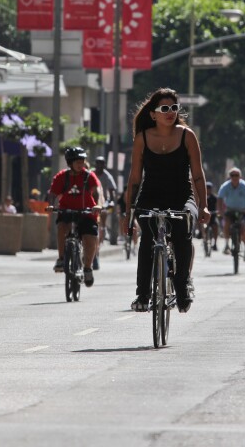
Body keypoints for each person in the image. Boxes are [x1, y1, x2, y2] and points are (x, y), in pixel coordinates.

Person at [126, 88, 210, 313]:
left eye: (174, 108)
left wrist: (204, 206)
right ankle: (142, 295)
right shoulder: (142, 138)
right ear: (153, 114)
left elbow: (198, 175)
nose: (170, 112)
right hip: (150, 196)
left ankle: (182, 285)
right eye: (165, 109)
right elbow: (134, 179)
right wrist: (128, 213)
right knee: (147, 240)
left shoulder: (186, 135)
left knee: (183, 233)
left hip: (182, 196)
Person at [48, 147, 103, 287]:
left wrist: (97, 205)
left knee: (90, 236)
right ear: (70, 163)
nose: (81, 164)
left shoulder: (89, 176)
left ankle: (88, 268)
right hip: (66, 210)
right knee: (61, 226)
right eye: (77, 161)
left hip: (86, 212)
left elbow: (97, 192)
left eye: (82, 161)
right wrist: (50, 205)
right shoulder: (61, 176)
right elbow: (53, 194)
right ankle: (61, 258)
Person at [217, 167, 245, 262]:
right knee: (227, 223)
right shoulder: (225, 186)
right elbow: (220, 198)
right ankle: (226, 245)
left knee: (243, 228)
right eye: (232, 175)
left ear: (240, 176)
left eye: (236, 175)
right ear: (229, 177)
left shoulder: (244, 186)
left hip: (242, 210)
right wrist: (220, 210)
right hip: (230, 209)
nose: (234, 177)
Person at [93, 156, 117, 250]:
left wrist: (111, 202)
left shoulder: (107, 176)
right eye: (98, 163)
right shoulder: (91, 174)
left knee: (103, 213)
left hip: (102, 201)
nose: (99, 166)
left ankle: (102, 229)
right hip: (91, 200)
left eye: (101, 163)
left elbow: (111, 191)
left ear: (104, 165)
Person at [205, 181, 219, 251]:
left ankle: (215, 243)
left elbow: (218, 206)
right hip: (204, 215)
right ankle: (203, 237)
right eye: (207, 188)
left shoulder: (215, 198)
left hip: (213, 216)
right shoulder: (202, 197)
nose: (208, 189)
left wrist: (217, 211)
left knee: (216, 226)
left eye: (209, 188)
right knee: (201, 225)